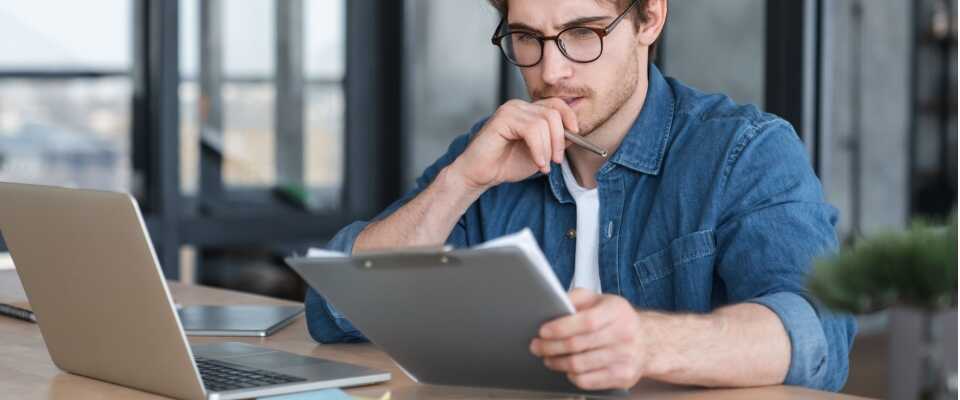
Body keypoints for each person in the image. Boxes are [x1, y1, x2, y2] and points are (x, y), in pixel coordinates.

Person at [305, 0, 855, 392]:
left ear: (650, 18)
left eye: (583, 32)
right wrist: (460, 183)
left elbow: (816, 333)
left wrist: (647, 344)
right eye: (527, 38)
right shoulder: (490, 155)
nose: (551, 70)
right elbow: (338, 311)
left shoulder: (743, 151)